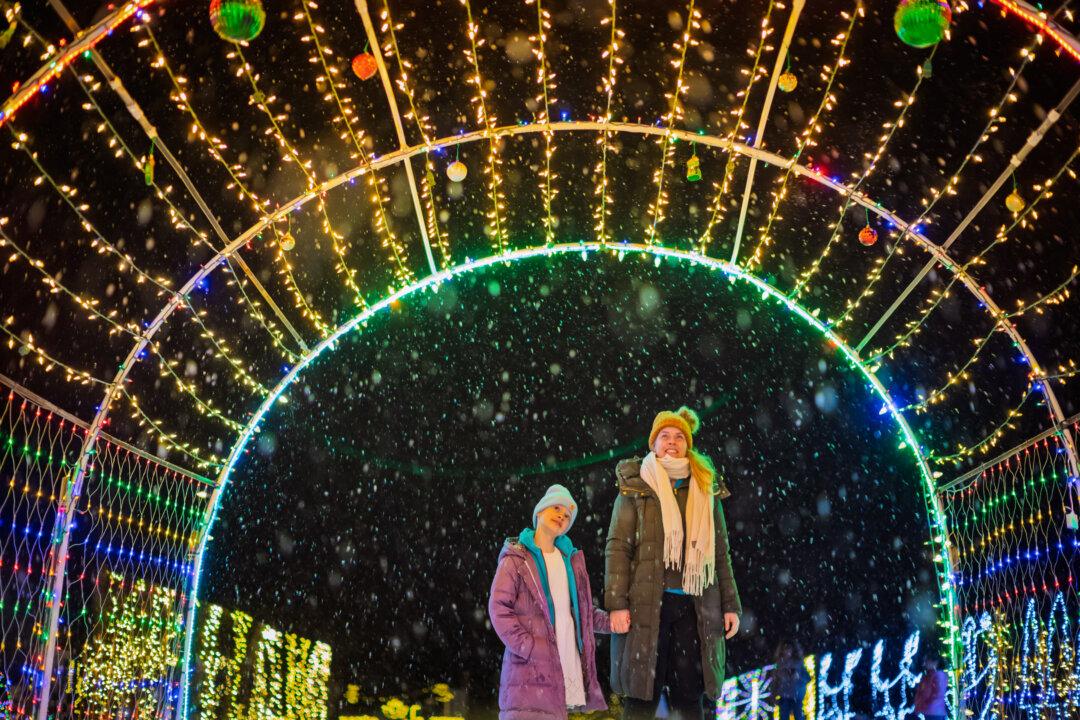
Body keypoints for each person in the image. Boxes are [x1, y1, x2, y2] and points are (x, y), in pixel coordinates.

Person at [605, 407, 742, 720]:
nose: (671, 441)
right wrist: (616, 604)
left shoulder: (705, 488)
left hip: (695, 608)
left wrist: (730, 605)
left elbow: (720, 553)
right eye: (664, 435)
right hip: (646, 606)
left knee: (689, 698)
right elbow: (618, 549)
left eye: (679, 436)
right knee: (641, 696)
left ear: (687, 445)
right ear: (653, 444)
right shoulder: (636, 487)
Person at [489, 484, 612, 720]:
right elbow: (498, 608)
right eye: (556, 508)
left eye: (567, 515)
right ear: (539, 512)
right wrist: (528, 646)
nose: (562, 516)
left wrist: (611, 622)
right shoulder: (516, 558)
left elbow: (582, 612)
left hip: (562, 667)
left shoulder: (570, 561)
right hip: (526, 675)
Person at [772, 640, 810, 720]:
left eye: (789, 648)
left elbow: (807, 678)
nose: (787, 651)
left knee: (797, 716)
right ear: (782, 650)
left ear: (792, 650)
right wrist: (774, 694)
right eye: (785, 649)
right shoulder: (779, 664)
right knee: (785, 716)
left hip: (796, 695)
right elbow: (776, 681)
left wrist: (798, 676)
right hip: (785, 696)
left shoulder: (798, 663)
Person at [913, 654, 948, 720]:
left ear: (935, 662)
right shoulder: (929, 675)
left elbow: (937, 693)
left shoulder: (939, 675)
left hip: (934, 712)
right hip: (930, 711)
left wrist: (924, 704)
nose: (924, 663)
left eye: (927, 661)